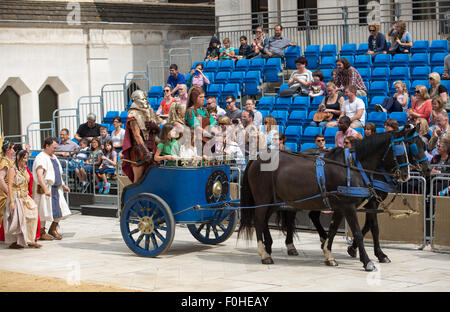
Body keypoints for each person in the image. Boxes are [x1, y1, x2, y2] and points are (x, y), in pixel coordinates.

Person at [33, 137, 71, 241]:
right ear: (47, 146)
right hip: (46, 188)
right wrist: (45, 189)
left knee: (61, 210)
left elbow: (57, 173)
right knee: (43, 211)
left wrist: (63, 185)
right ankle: (41, 232)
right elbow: (39, 175)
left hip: (56, 188)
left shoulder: (53, 157)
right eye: (54, 147)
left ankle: (53, 229)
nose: (55, 150)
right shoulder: (41, 157)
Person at [3, 150, 41, 248]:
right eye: (24, 158)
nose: (25, 160)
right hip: (15, 196)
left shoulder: (24, 169)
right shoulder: (12, 169)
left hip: (24, 195)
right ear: (18, 157)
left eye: (26, 158)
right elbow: (10, 186)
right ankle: (15, 242)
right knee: (17, 219)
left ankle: (30, 239)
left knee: (32, 214)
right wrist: (11, 201)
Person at [122, 90, 162, 183]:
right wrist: (145, 152)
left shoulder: (150, 111)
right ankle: (134, 196)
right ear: (135, 100)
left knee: (152, 178)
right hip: (139, 150)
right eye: (141, 99)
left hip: (152, 146)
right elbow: (136, 135)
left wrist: (155, 127)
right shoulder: (133, 114)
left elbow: (158, 130)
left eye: (145, 98)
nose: (144, 101)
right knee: (138, 179)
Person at [0, 141, 15, 239]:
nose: (14, 150)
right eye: (12, 148)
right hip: (5, 193)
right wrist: (8, 192)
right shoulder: (4, 162)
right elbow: (1, 178)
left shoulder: (11, 160)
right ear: (7, 150)